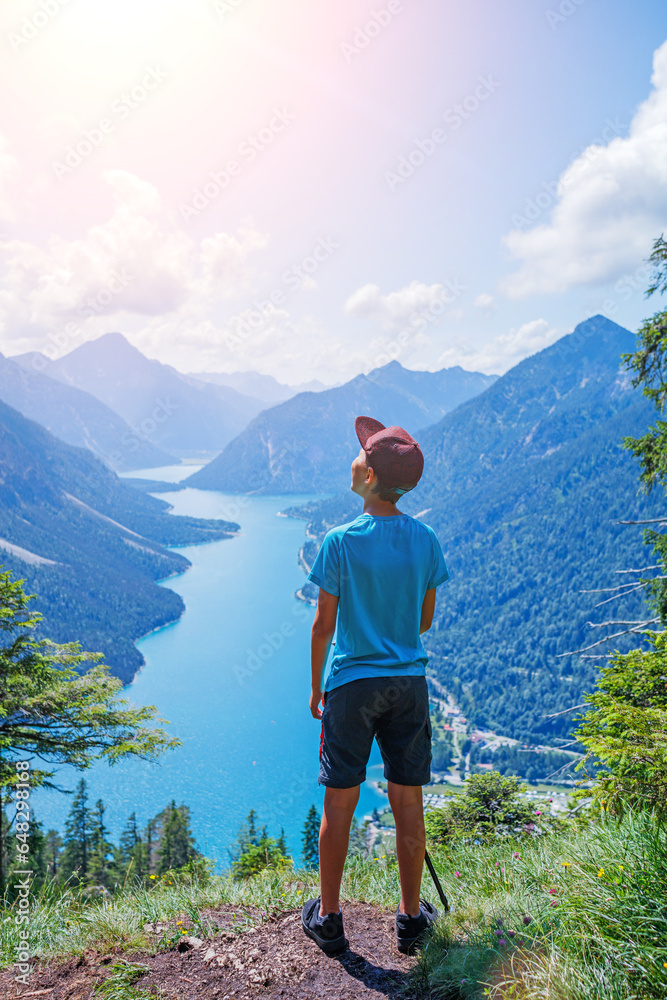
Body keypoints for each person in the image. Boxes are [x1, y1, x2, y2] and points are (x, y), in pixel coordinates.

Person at [301, 415, 449, 955]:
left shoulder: (339, 542)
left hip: (352, 686)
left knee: (339, 802)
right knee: (408, 801)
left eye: (361, 454)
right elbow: (422, 621)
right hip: (407, 683)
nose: (355, 457)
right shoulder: (425, 539)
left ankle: (330, 918)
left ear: (367, 477)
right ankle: (411, 920)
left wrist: (317, 689)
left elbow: (323, 625)